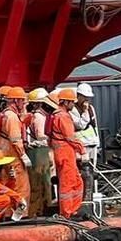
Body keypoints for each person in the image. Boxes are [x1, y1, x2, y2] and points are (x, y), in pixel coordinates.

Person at [47, 88, 87, 216]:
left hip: (63, 153)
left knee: (76, 181)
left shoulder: (56, 114)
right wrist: (82, 150)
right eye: (71, 102)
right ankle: (66, 212)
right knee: (68, 183)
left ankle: (72, 209)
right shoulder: (63, 116)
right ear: (65, 102)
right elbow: (70, 137)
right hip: (65, 153)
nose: (73, 105)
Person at [0, 87, 29, 214]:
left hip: (4, 156)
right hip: (13, 157)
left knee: (7, 185)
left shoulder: (5, 114)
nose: (24, 104)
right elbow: (15, 139)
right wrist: (23, 155)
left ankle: (8, 213)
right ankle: (19, 214)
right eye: (22, 101)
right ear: (16, 101)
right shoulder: (12, 117)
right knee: (20, 186)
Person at [25, 89, 57, 215]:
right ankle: (41, 209)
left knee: (45, 182)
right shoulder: (38, 117)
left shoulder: (40, 116)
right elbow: (40, 136)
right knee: (41, 182)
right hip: (39, 152)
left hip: (42, 151)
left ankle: (44, 207)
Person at [72, 83, 99, 173]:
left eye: (88, 97)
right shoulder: (73, 109)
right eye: (84, 96)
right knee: (82, 169)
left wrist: (97, 142)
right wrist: (84, 111)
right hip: (81, 145)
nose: (87, 99)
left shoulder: (91, 108)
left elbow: (95, 125)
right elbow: (80, 125)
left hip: (92, 143)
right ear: (78, 96)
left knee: (92, 169)